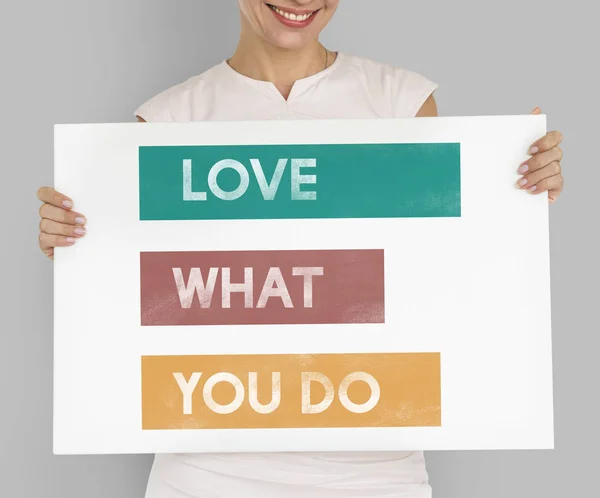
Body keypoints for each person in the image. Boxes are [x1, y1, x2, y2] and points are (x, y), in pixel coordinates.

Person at [35, 1, 565, 496]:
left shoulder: (398, 101)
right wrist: (80, 252)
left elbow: (441, 273)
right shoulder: (169, 119)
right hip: (208, 470)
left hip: (375, 469)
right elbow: (151, 300)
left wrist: (514, 194)